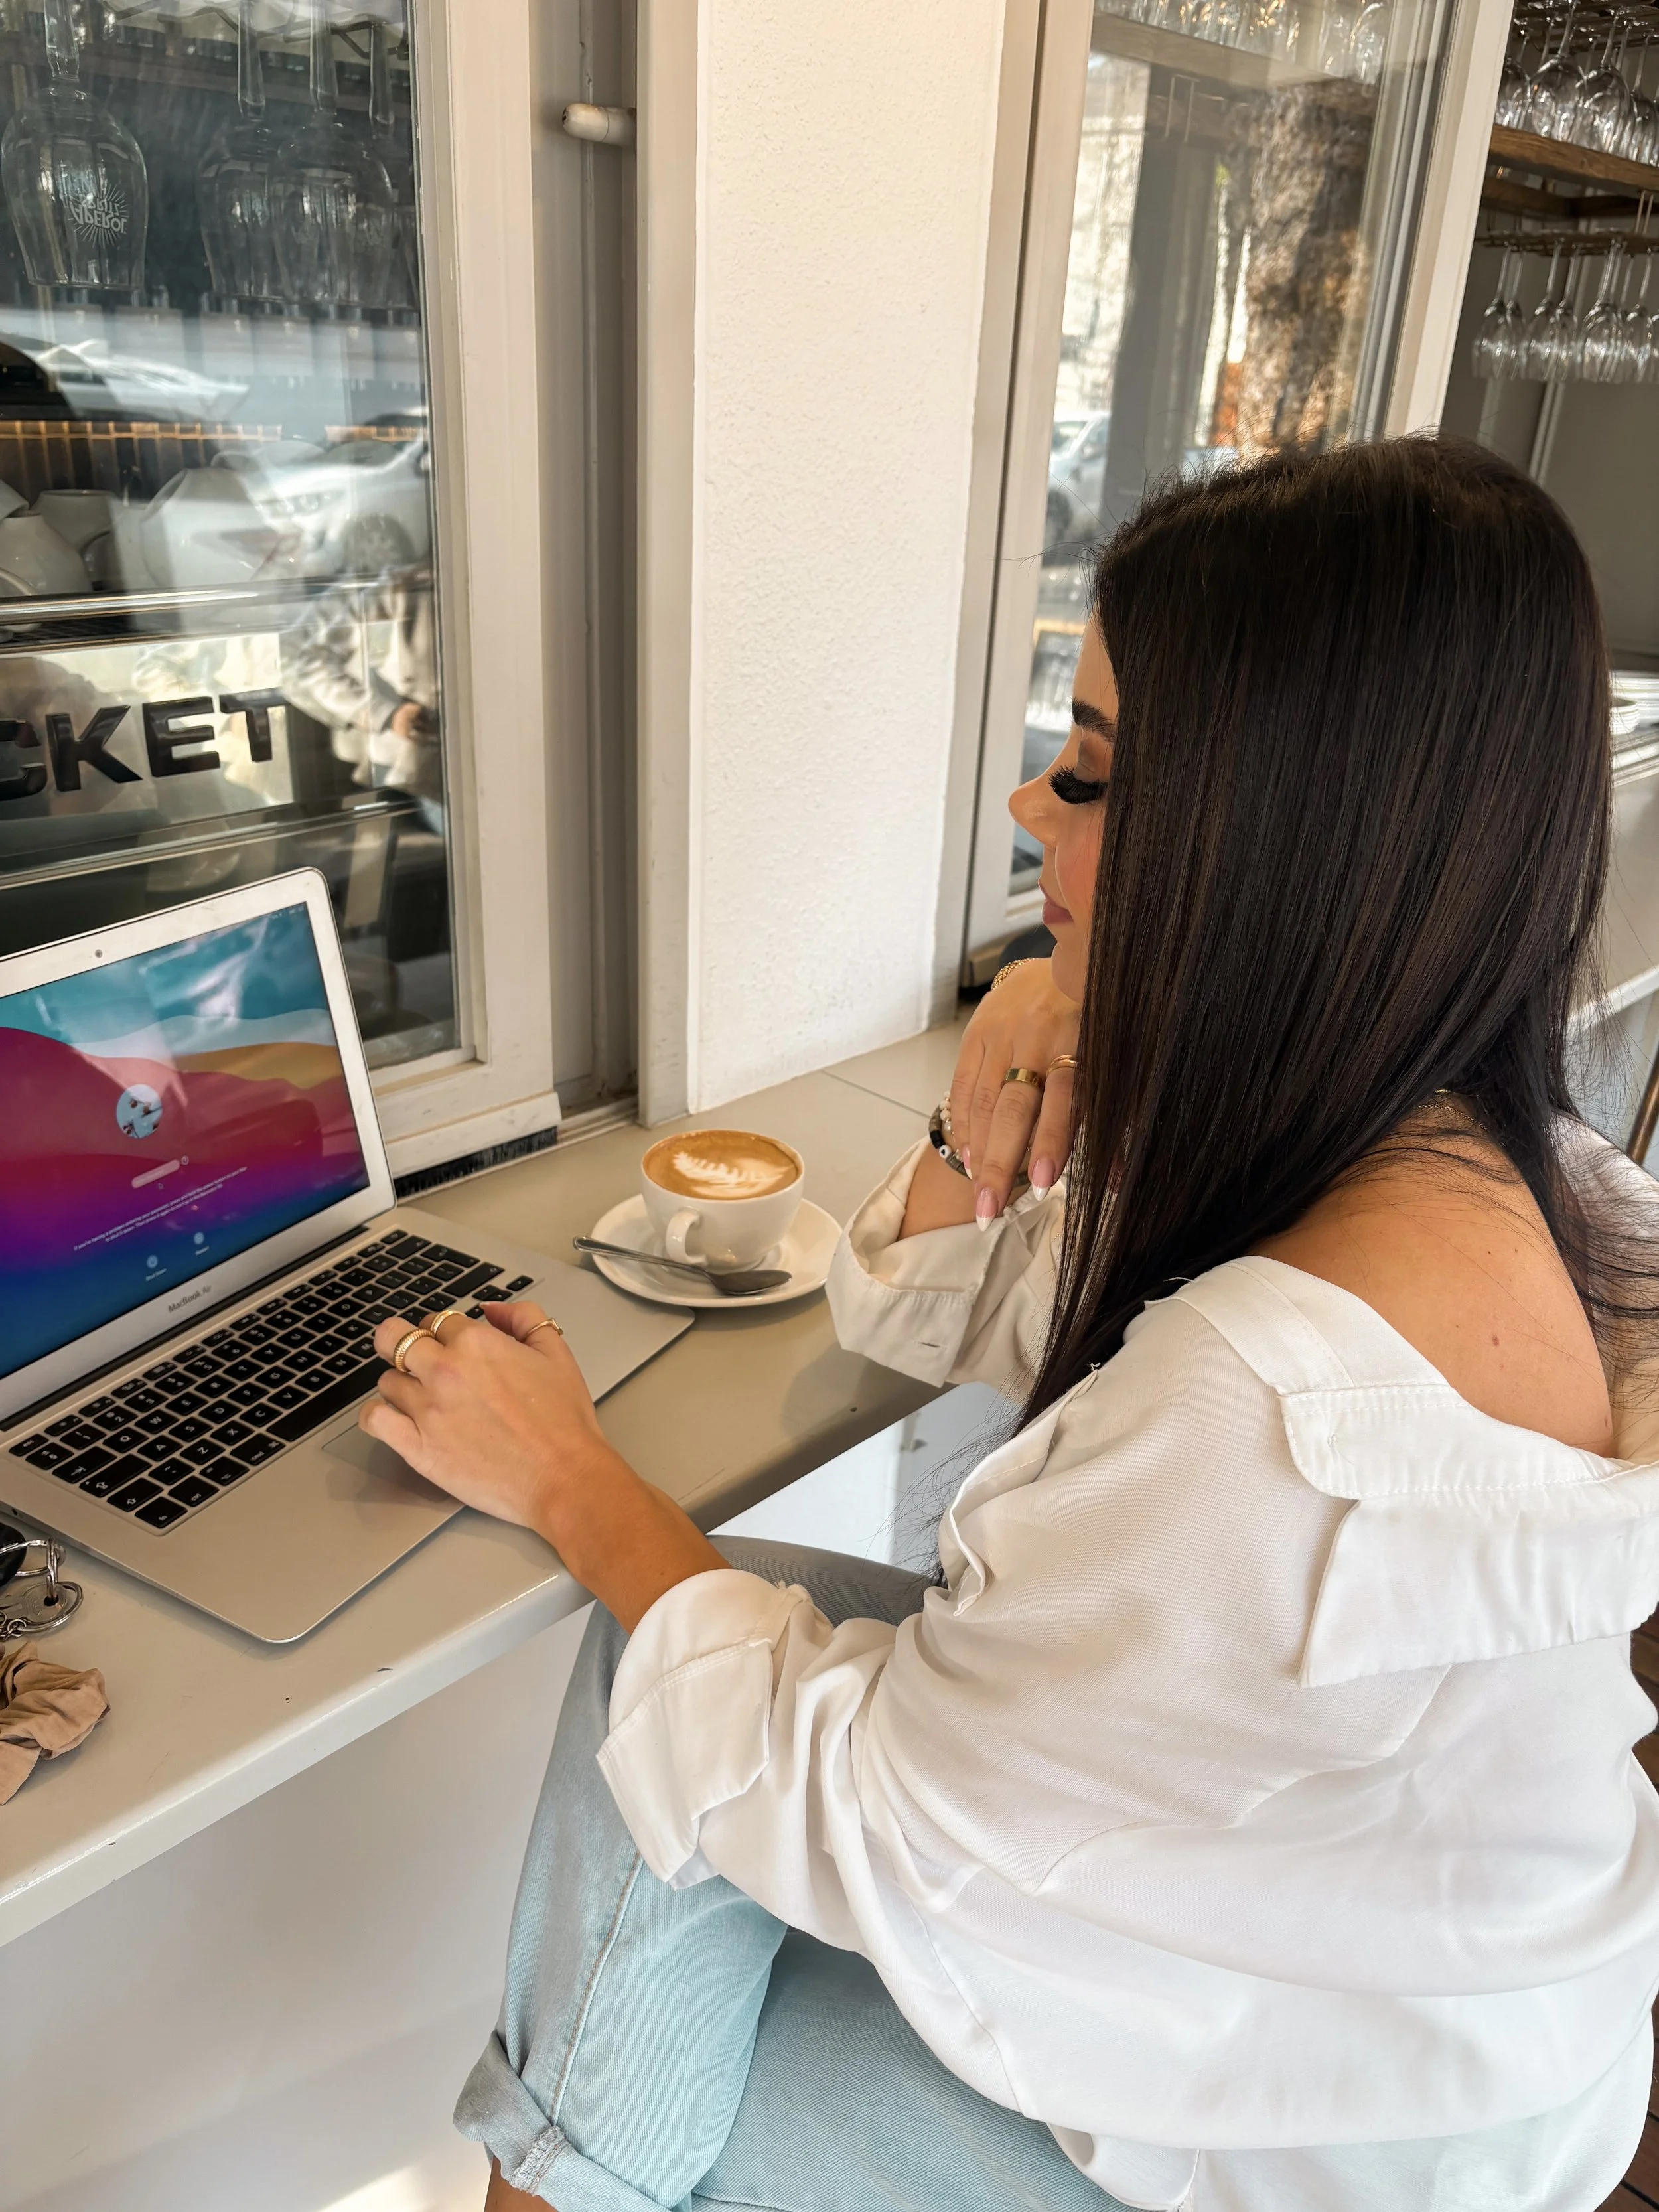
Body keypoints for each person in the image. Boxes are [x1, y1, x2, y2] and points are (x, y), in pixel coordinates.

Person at [358, 438, 1659, 2212]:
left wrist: (574, 1480)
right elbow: (1030, 1301)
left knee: (665, 1683)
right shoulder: (1519, 1178)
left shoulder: (1253, 1428)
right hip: (1432, 2041)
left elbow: (860, 1815)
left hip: (1302, 2152)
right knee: (723, 1631)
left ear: (1278, 855)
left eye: (1097, 780)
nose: (1030, 814)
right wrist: (1027, 1051)